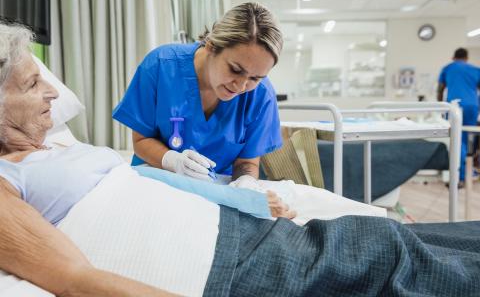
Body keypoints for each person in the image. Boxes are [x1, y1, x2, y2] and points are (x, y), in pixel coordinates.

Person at [2, 23, 480, 297]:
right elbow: (74, 277)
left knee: (383, 237)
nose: (52, 92)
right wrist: (170, 162)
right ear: (209, 49)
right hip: (214, 261)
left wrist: (241, 194)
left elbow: (143, 176)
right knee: (388, 257)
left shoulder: (57, 149)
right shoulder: (8, 177)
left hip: (226, 221)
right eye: (31, 85)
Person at [113, 2, 283, 191]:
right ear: (211, 46)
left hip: (218, 187)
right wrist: (173, 161)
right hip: (157, 178)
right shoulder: (160, 66)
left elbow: (247, 162)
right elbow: (141, 142)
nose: (241, 86)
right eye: (235, 69)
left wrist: (246, 182)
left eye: (255, 78)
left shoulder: (261, 96)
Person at [437, 48, 480, 183]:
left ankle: (457, 174)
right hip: (472, 106)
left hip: (454, 107)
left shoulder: (448, 68)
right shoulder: (475, 69)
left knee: (455, 138)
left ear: (453, 57)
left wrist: (440, 106)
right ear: (466, 58)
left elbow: (440, 89)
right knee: (466, 139)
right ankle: (464, 173)